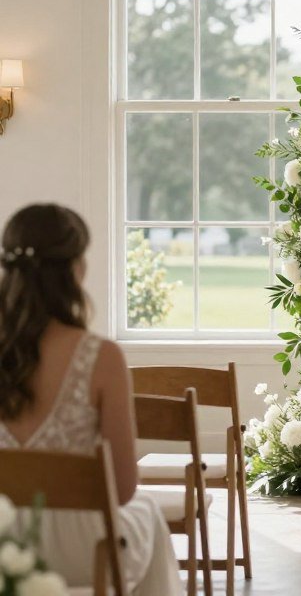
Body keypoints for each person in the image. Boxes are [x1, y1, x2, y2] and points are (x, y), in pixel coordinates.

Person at [0, 204, 180, 594]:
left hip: (3, 541)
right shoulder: (100, 357)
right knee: (146, 513)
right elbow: (124, 487)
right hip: (82, 548)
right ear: (74, 269)